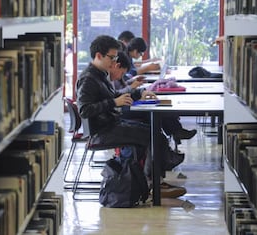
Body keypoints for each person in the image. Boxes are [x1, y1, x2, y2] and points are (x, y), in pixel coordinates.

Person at [76, 35, 186, 198]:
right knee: (155, 136)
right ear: (99, 56)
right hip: (102, 131)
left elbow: (114, 95)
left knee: (155, 133)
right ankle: (155, 184)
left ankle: (153, 181)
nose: (114, 62)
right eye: (111, 58)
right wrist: (114, 103)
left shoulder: (100, 74)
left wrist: (137, 93)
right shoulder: (88, 78)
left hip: (112, 124)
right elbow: (84, 110)